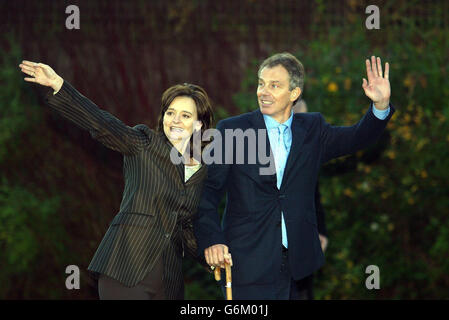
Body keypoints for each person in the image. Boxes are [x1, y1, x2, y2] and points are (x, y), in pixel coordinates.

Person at [193, 53, 394, 299]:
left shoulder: (313, 129)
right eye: (261, 83)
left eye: (274, 85)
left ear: (294, 93)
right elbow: (207, 192)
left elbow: (357, 138)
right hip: (246, 263)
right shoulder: (233, 130)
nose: (263, 92)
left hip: (299, 268)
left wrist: (380, 106)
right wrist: (213, 240)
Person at [19, 60, 214, 300]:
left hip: (169, 281)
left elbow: (185, 227)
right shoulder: (144, 143)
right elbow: (102, 124)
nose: (174, 120)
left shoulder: (201, 171)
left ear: (199, 125)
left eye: (185, 115)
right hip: (125, 268)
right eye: (170, 113)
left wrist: (210, 258)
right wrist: (59, 85)